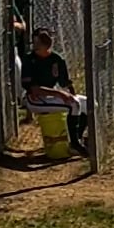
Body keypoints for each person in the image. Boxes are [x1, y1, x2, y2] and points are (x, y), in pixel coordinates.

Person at [20, 28, 90, 156]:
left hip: (50, 96)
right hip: (35, 100)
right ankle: (74, 143)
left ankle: (77, 139)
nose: (36, 46)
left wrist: (71, 93)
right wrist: (61, 94)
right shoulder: (29, 60)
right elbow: (34, 89)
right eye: (36, 42)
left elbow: (65, 82)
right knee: (74, 105)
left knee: (88, 103)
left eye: (41, 42)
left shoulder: (56, 59)